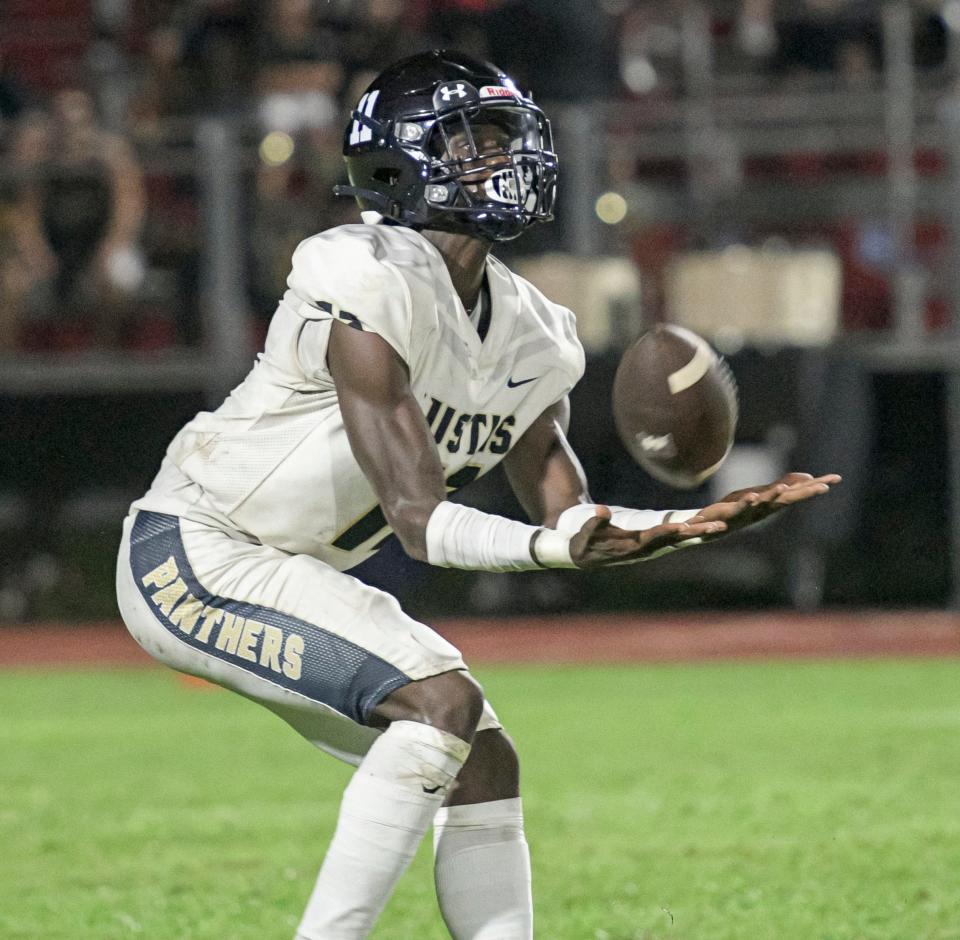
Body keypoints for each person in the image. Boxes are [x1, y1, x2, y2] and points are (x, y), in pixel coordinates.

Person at [115, 50, 840, 939]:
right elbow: (419, 522)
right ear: (399, 160)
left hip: (292, 569)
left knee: (483, 761)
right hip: (198, 550)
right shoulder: (362, 273)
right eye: (472, 143)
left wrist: (677, 524)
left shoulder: (537, 332)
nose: (504, 161)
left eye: (506, 140)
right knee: (442, 703)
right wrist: (561, 547)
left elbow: (563, 512)